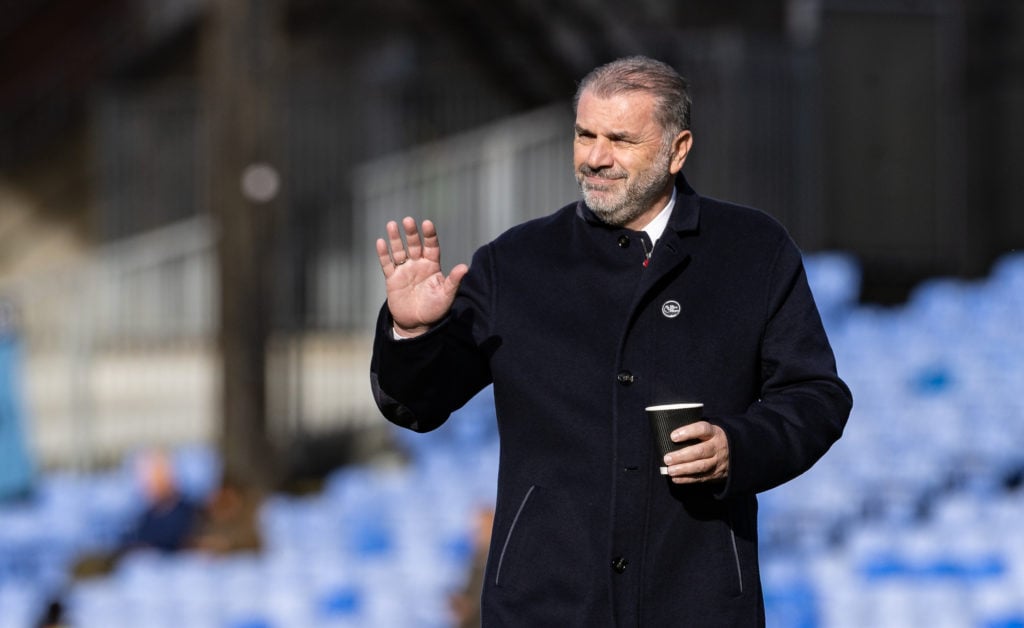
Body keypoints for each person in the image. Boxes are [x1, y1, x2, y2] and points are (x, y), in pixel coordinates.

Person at [370, 56, 852, 626]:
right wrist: (412, 331)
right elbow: (417, 404)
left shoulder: (752, 251)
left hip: (697, 600)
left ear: (678, 150)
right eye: (584, 134)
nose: (595, 158)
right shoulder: (516, 262)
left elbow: (816, 396)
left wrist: (737, 446)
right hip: (543, 604)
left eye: (620, 139)